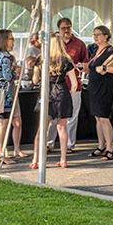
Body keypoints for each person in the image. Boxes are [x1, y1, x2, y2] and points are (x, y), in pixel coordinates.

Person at [31, 33, 78, 169]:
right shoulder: (66, 60)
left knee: (42, 128)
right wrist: (68, 95)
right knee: (62, 127)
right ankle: (63, 159)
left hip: (46, 93)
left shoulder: (41, 59)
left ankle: (35, 159)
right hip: (62, 93)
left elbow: (35, 80)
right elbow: (74, 84)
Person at [47, 17, 88, 154]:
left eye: (68, 27)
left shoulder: (79, 44)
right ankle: (49, 144)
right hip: (54, 88)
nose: (66, 30)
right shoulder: (52, 43)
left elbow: (87, 64)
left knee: (71, 118)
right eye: (64, 28)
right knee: (52, 118)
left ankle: (69, 145)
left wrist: (81, 67)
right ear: (58, 29)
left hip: (73, 86)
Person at [0, 29, 24, 165]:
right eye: (11, 38)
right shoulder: (6, 57)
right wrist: (16, 72)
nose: (13, 41)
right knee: (3, 124)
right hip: (4, 94)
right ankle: (2, 154)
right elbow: (7, 76)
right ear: (4, 40)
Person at [87, 25, 113, 161]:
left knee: (104, 117)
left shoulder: (111, 51)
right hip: (94, 85)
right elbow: (91, 67)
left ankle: (110, 149)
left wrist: (104, 68)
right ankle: (101, 145)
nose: (95, 37)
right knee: (97, 117)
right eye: (94, 34)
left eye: (98, 34)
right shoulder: (95, 49)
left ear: (106, 36)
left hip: (105, 87)